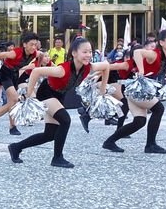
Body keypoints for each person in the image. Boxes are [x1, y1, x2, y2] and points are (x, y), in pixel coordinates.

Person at [8, 38, 110, 168]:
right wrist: (29, 95)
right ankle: (57, 158)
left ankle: (16, 147)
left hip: (59, 96)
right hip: (46, 93)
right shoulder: (62, 69)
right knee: (65, 120)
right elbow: (36, 71)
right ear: (74, 53)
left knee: (49, 134)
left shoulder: (89, 67)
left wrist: (102, 91)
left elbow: (106, 66)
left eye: (90, 51)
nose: (89, 55)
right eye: (85, 52)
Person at [102, 29, 166, 154]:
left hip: (140, 91)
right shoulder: (155, 54)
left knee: (139, 122)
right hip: (137, 89)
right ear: (162, 42)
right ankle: (150, 145)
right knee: (159, 109)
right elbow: (138, 52)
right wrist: (142, 71)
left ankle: (109, 142)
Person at [0, 33, 41, 136]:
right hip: (5, 73)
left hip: (15, 75)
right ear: (24, 44)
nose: (34, 47)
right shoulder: (15, 53)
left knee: (12, 102)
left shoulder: (35, 53)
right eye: (31, 44)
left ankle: (11, 127)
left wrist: (38, 66)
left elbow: (41, 55)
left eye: (35, 44)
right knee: (15, 99)